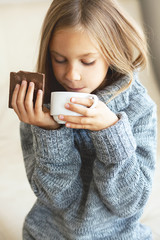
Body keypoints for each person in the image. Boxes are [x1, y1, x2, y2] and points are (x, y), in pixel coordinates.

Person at [11, 0, 157, 239]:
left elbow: (129, 203)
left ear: (112, 54)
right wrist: (49, 132)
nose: (72, 75)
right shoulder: (37, 110)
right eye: (59, 59)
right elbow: (57, 199)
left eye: (87, 61)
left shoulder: (138, 108)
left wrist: (111, 132)